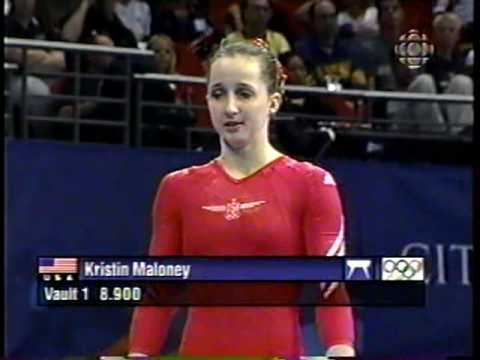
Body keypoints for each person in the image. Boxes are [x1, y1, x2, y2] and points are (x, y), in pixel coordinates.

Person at [128, 39, 355, 357]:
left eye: (244, 93)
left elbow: (331, 291)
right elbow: (157, 293)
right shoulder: (178, 188)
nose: (230, 107)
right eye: (219, 93)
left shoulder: (312, 184)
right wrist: (138, 353)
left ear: (273, 101)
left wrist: (341, 350)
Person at [225, 0, 291, 56]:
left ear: (270, 14)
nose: (261, 14)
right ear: (245, 12)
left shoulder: (278, 39)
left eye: (265, 10)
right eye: (256, 9)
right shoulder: (230, 40)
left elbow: (287, 65)